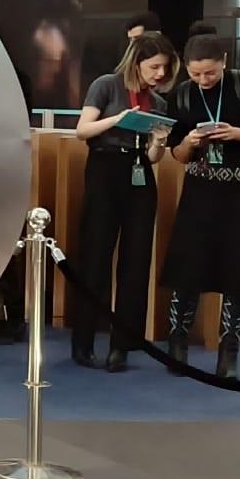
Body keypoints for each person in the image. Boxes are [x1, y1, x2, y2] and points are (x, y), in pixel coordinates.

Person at [161, 34, 240, 380]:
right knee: (189, 268)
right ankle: (177, 342)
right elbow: (178, 154)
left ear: (224, 61)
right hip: (202, 191)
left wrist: (236, 133)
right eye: (196, 73)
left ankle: (230, 348)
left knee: (239, 270)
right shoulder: (182, 94)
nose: (203, 79)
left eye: (210, 73)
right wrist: (189, 141)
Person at [71, 32, 178, 372]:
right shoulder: (106, 85)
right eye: (154, 66)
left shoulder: (157, 102)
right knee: (95, 256)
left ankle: (122, 345)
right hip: (105, 168)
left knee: (136, 260)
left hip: (140, 172)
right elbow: (83, 130)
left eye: (165, 68)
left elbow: (154, 157)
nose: (160, 74)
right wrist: (117, 119)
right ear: (137, 62)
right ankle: (83, 341)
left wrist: (159, 142)